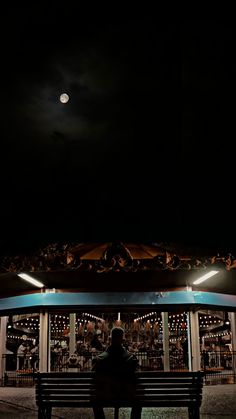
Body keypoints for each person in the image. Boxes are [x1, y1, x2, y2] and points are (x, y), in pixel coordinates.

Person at [92, 327, 142, 419]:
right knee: (138, 399)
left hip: (105, 395)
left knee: (95, 399)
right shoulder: (131, 359)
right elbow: (137, 379)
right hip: (127, 395)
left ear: (110, 339)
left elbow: (94, 380)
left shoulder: (99, 359)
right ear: (122, 339)